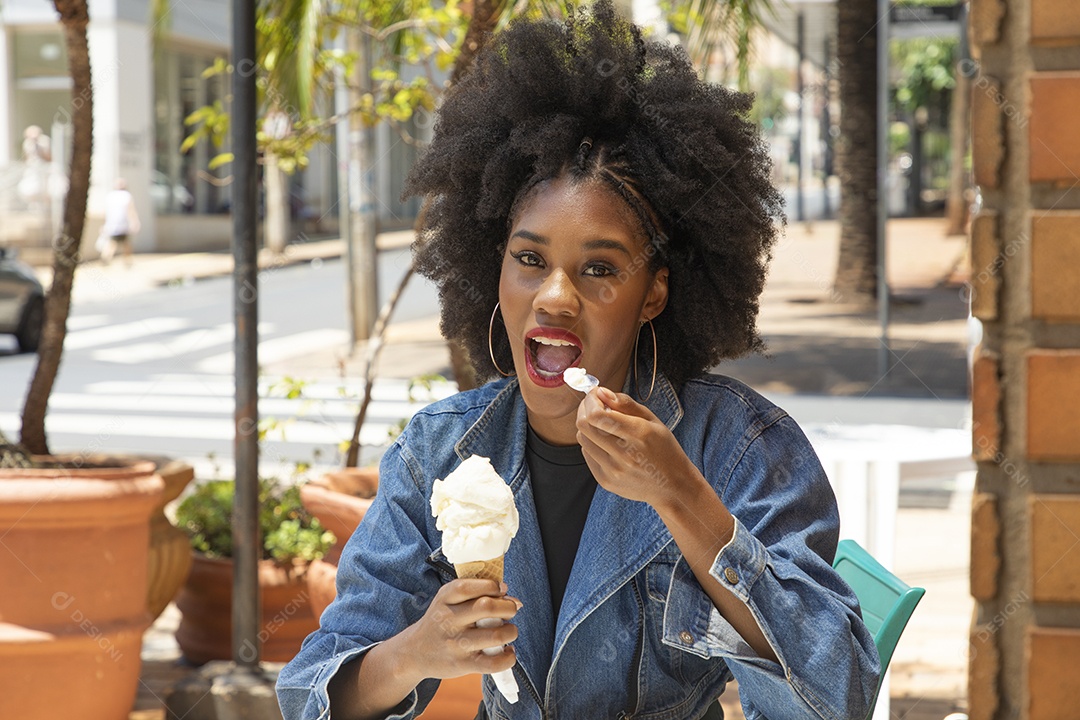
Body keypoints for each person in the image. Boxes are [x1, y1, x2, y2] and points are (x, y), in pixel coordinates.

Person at [277, 4, 880, 719]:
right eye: (530, 260)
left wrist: (681, 496)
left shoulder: (740, 446)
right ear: (495, 268)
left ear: (653, 292)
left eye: (599, 269)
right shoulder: (438, 451)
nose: (555, 297)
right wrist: (416, 651)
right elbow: (310, 697)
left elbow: (838, 693)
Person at [99, 178, 140, 266]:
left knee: (113, 243)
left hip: (112, 225)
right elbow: (131, 210)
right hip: (123, 225)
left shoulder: (110, 196)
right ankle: (127, 261)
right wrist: (135, 222)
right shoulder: (127, 196)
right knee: (125, 244)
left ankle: (106, 258)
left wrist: (104, 224)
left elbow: (105, 212)